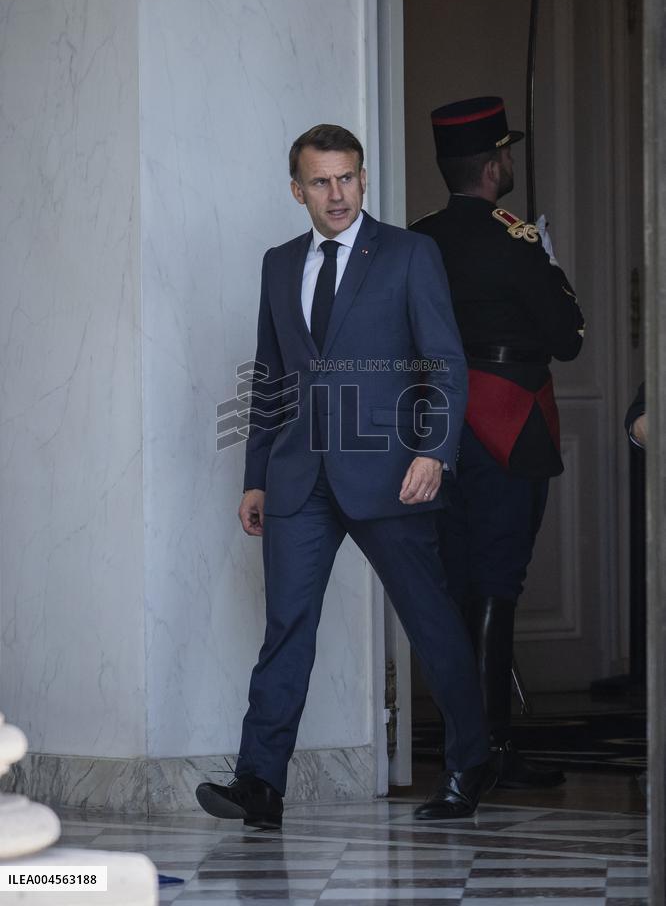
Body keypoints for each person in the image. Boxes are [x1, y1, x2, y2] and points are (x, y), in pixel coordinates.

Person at [196, 123, 495, 828]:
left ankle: (469, 762)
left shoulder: (409, 254)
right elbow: (269, 377)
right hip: (299, 478)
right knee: (286, 627)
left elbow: (445, 363)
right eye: (322, 182)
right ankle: (260, 785)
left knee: (429, 620)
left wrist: (434, 450)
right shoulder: (277, 264)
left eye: (348, 178)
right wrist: (256, 476)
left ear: (363, 179)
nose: (338, 194)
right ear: (297, 190)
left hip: (393, 473)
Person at [411, 97, 585, 789]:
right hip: (509, 421)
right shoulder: (515, 237)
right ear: (494, 164)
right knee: (496, 587)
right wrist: (549, 260)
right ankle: (491, 755)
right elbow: (567, 339)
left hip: (437, 427)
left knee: (456, 586)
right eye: (506, 151)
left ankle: (469, 750)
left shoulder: (418, 237)